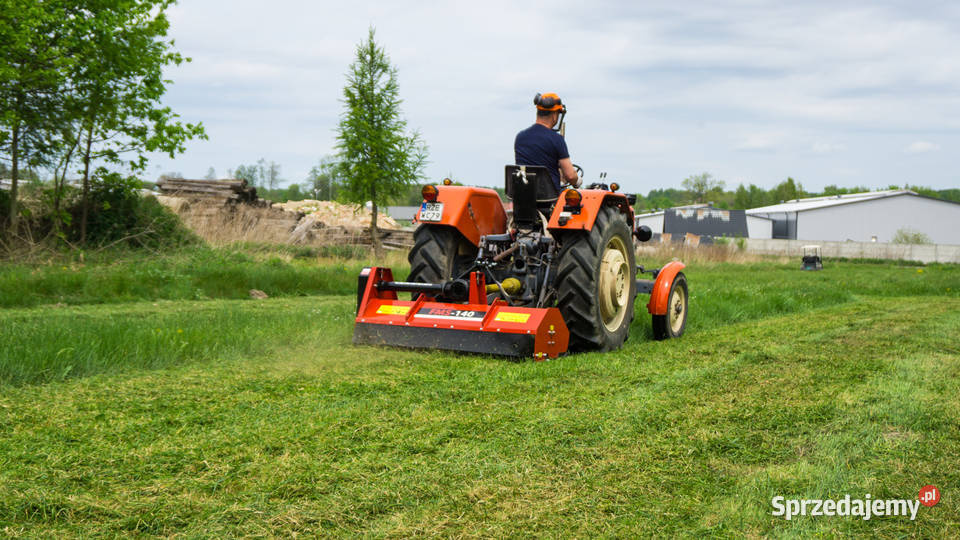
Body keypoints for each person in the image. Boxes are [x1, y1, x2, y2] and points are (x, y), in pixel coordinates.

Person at [514, 92, 581, 198]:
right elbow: (570, 175)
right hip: (550, 200)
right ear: (554, 115)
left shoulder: (520, 137)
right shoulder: (556, 139)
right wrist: (577, 181)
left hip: (524, 199)